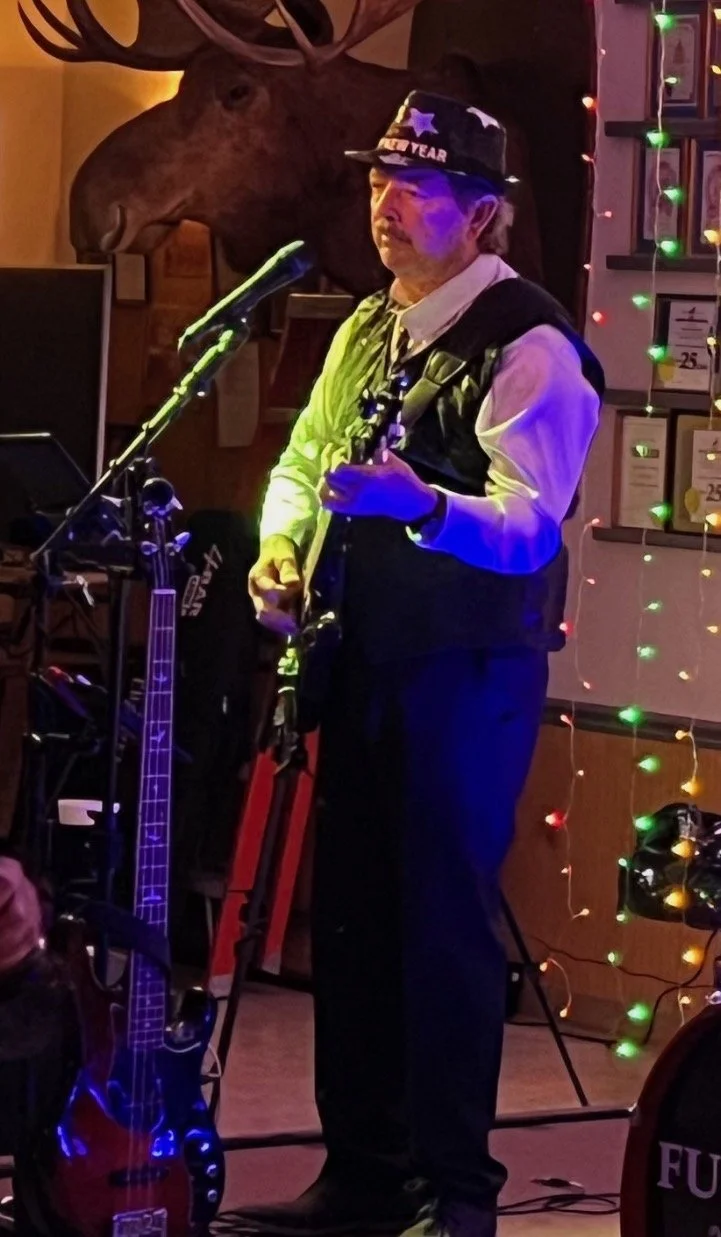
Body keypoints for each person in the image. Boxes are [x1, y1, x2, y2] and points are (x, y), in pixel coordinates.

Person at [244, 91, 604, 1237]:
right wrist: (277, 548)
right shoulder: (364, 328)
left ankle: (452, 1195)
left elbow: (529, 525)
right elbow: (301, 462)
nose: (383, 205)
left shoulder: (530, 343)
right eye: (376, 181)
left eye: (416, 187)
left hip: (465, 677)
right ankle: (360, 1170)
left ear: (482, 213)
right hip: (361, 661)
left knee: (439, 929)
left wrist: (418, 505)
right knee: (347, 922)